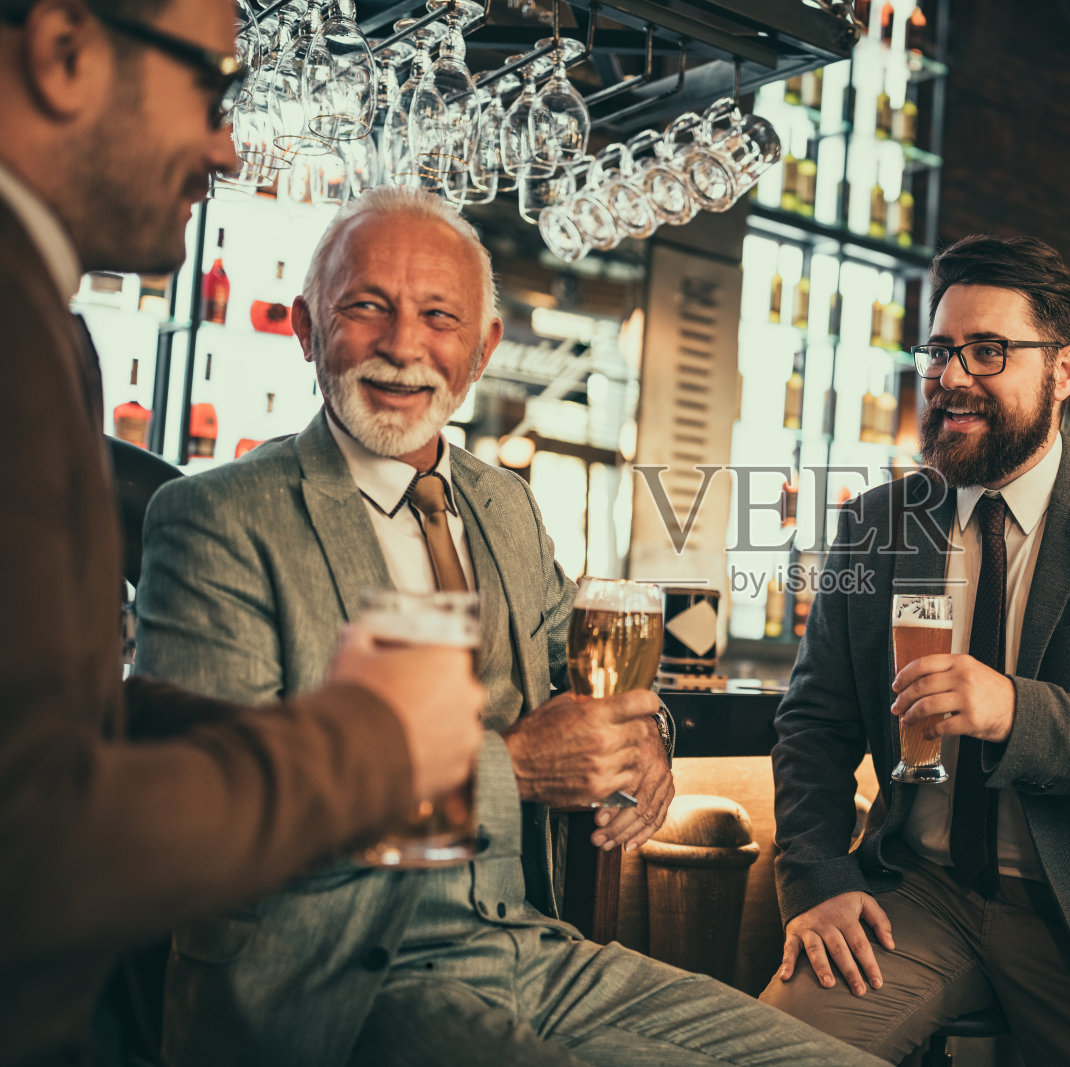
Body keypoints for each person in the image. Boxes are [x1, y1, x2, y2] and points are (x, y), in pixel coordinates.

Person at [135, 187, 889, 1067]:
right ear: (306, 329)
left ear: (483, 349)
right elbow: (215, 815)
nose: (403, 344)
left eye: (439, 317)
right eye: (365, 306)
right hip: (332, 977)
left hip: (529, 950)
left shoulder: (505, 506)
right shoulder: (214, 517)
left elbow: (592, 681)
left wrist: (645, 736)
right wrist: (518, 768)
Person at [0, 0, 484, 1060]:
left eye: (441, 316)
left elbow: (55, 720)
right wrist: (370, 739)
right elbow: (35, 846)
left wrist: (274, 723)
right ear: (65, 50)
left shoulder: (45, 319)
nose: (226, 146)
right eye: (211, 89)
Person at [759, 235, 1070, 1066]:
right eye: (940, 351)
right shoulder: (878, 523)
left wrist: (1017, 710)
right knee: (761, 1054)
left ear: (1063, 370)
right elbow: (814, 723)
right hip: (918, 894)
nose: (951, 377)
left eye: (987, 351)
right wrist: (817, 877)